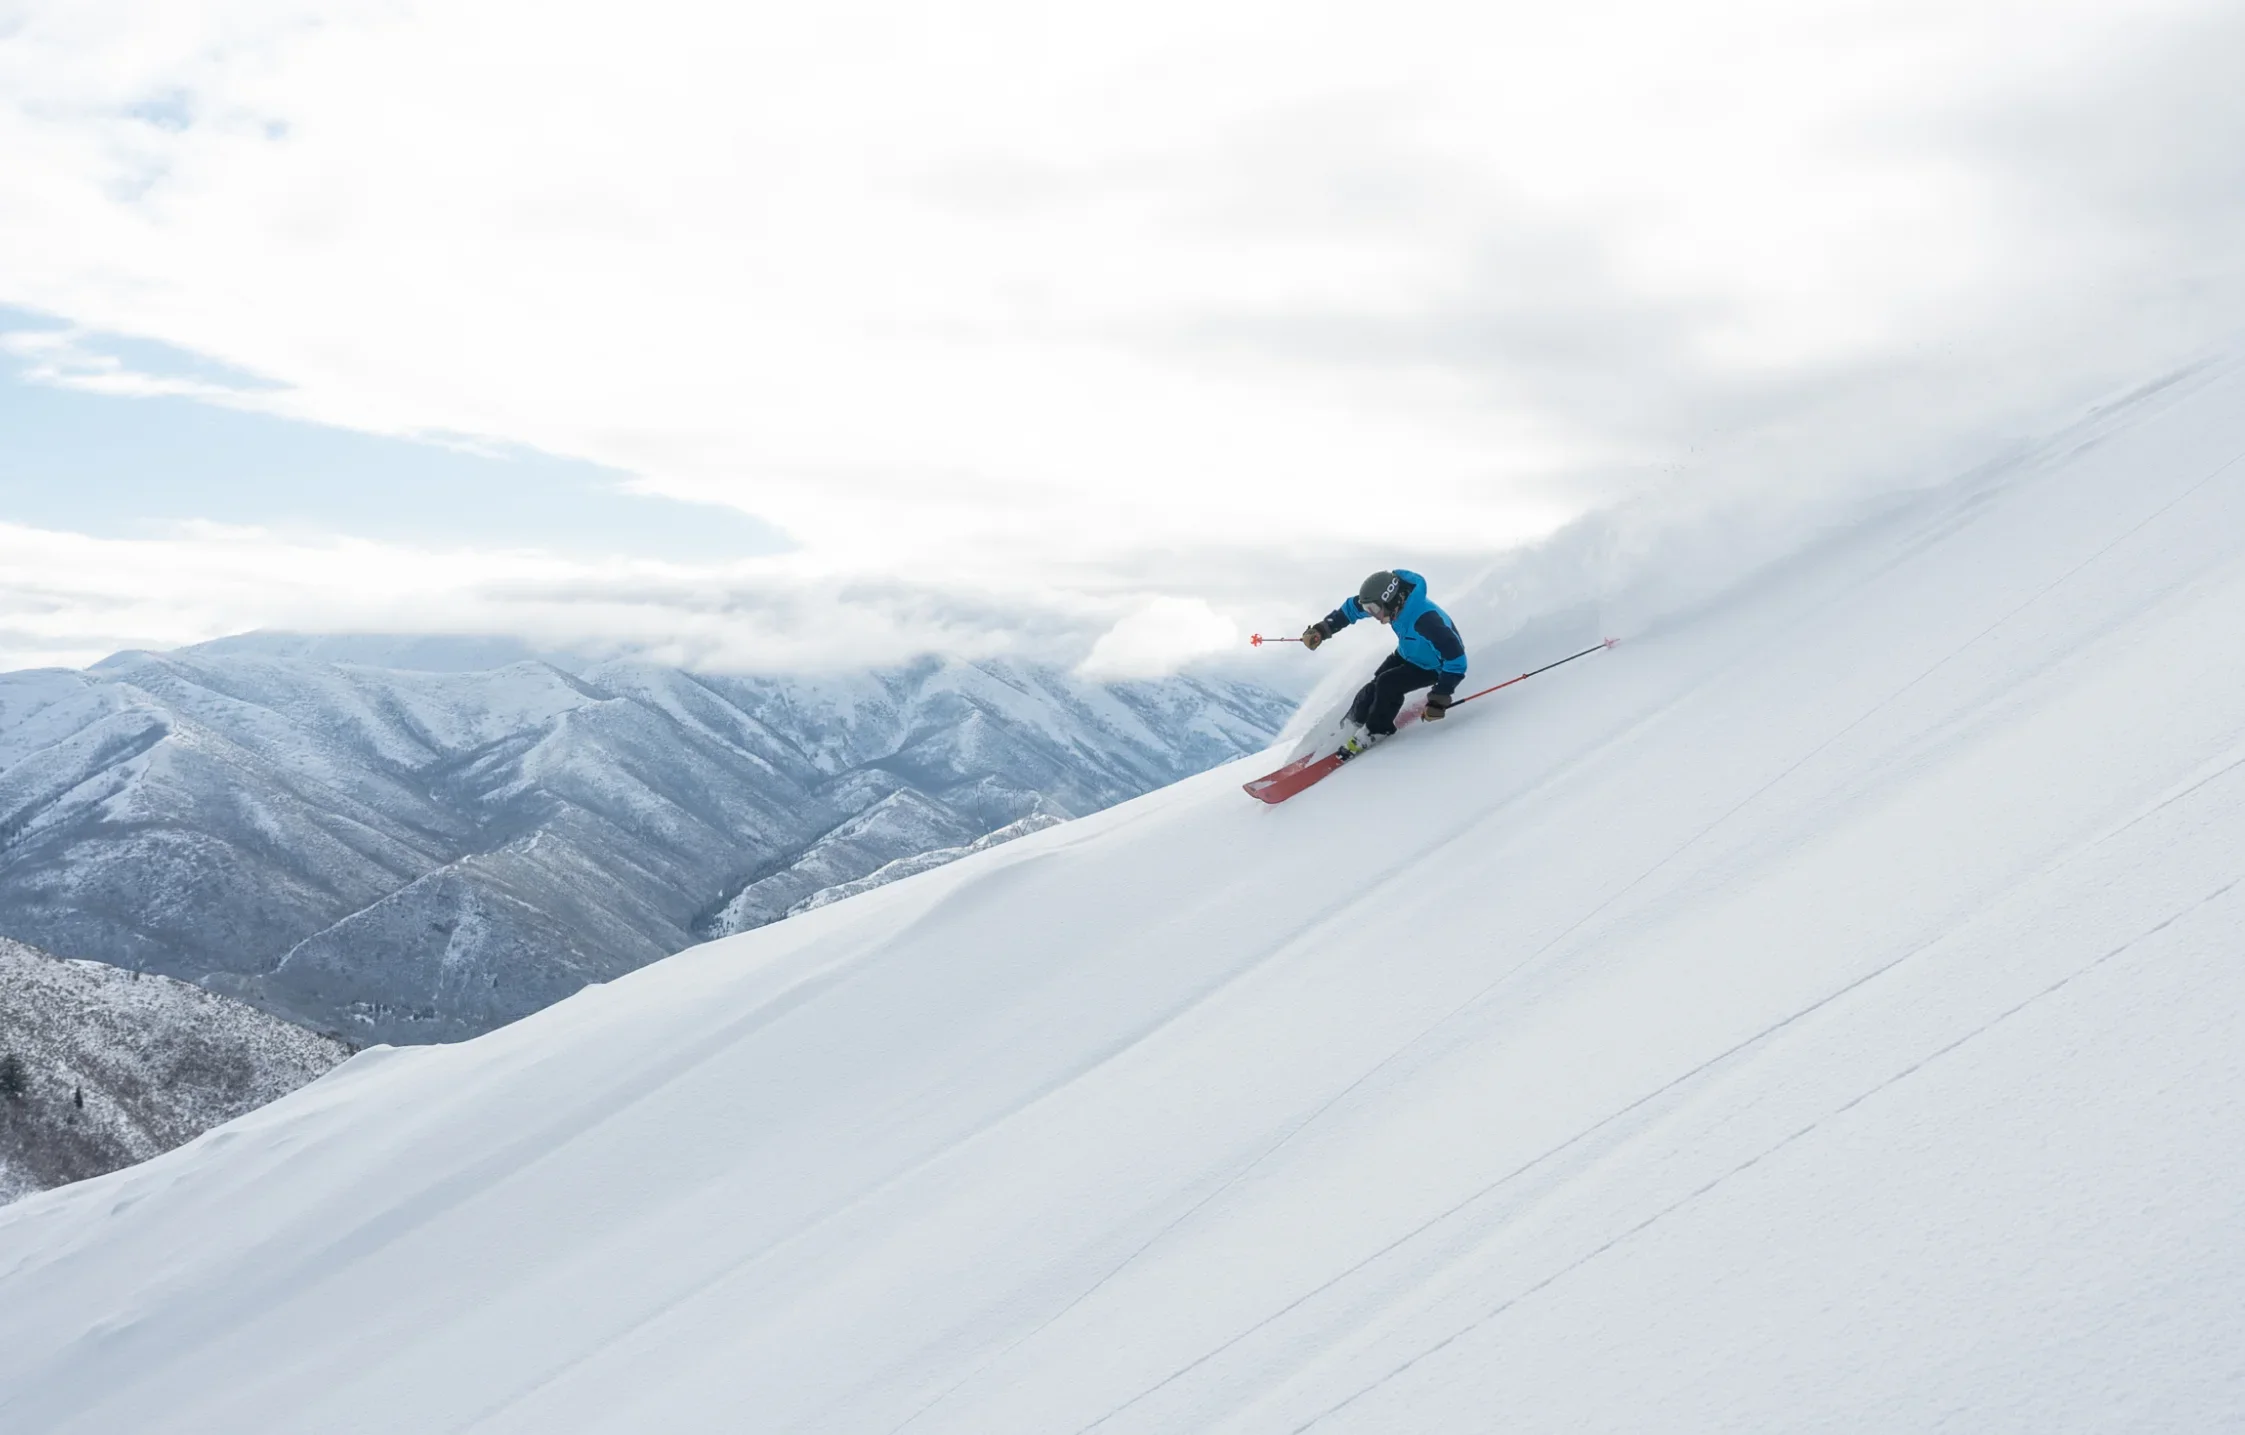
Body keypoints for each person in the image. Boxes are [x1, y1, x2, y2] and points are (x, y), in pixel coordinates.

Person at [1302, 569, 1468, 753]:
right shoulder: (1393, 604)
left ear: (1392, 600)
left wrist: (1439, 699)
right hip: (1407, 654)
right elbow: (1351, 609)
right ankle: (1349, 727)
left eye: (1373, 609)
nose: (1372, 614)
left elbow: (1457, 660)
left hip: (1434, 666)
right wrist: (1322, 630)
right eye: (1368, 609)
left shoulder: (1426, 621)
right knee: (1372, 688)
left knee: (1387, 684)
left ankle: (1377, 731)